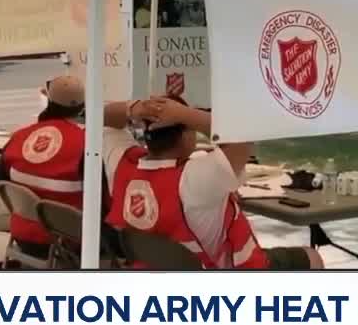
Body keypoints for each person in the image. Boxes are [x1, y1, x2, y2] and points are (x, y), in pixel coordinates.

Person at [102, 95, 323, 271]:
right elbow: (241, 136)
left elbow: (104, 118)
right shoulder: (196, 178)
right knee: (312, 257)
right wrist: (186, 113)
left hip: (150, 270)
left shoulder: (121, 164)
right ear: (187, 135)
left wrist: (136, 107)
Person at [0, 75, 118, 262]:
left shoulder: (19, 136)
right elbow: (105, 205)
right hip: (70, 243)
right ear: (82, 107)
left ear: (49, 101)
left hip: (23, 237)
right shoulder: (88, 145)